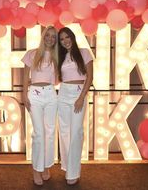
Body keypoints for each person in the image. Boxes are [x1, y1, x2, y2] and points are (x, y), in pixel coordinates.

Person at [21, 26, 58, 186]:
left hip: (51, 94)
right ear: (43, 36)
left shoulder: (57, 55)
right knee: (38, 133)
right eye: (48, 35)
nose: (50, 38)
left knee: (49, 132)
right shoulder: (32, 53)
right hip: (34, 94)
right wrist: (24, 94)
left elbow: (58, 79)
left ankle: (45, 166)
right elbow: (25, 76)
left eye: (53, 37)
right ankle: (36, 169)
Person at [57, 27, 93, 185]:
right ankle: (67, 166)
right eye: (62, 39)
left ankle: (73, 172)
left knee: (76, 132)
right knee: (64, 132)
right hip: (63, 93)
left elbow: (89, 77)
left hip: (79, 93)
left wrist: (81, 97)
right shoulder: (61, 57)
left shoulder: (84, 52)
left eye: (67, 37)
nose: (65, 41)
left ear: (72, 37)